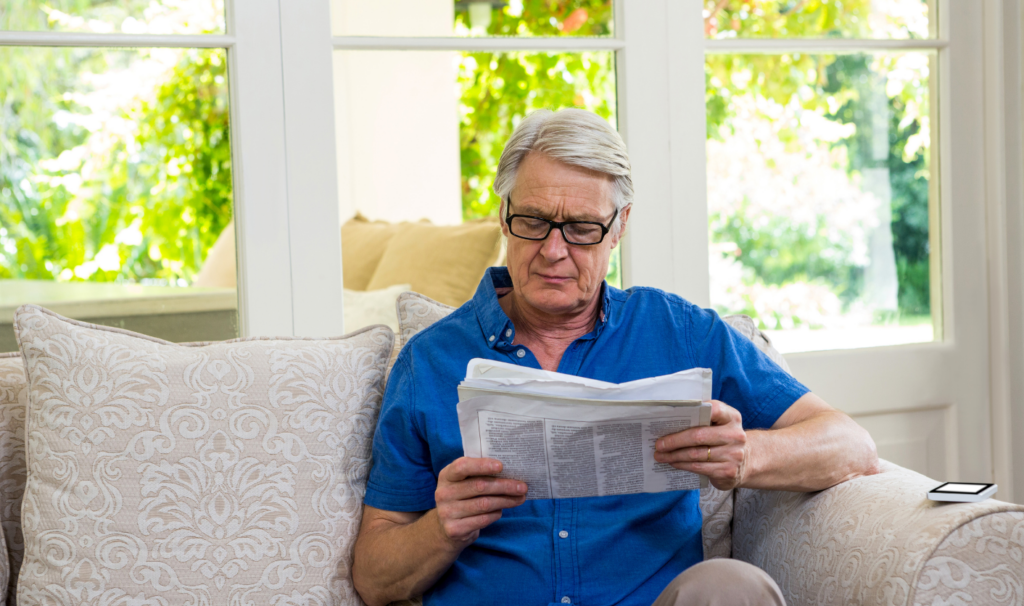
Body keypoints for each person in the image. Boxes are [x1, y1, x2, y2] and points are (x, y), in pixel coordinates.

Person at [351, 108, 880, 606]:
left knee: (731, 584)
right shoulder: (430, 361)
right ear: (504, 216)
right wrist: (441, 526)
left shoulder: (679, 333)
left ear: (620, 226)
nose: (554, 251)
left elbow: (850, 445)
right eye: (533, 221)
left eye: (582, 229)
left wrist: (745, 456)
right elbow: (374, 579)